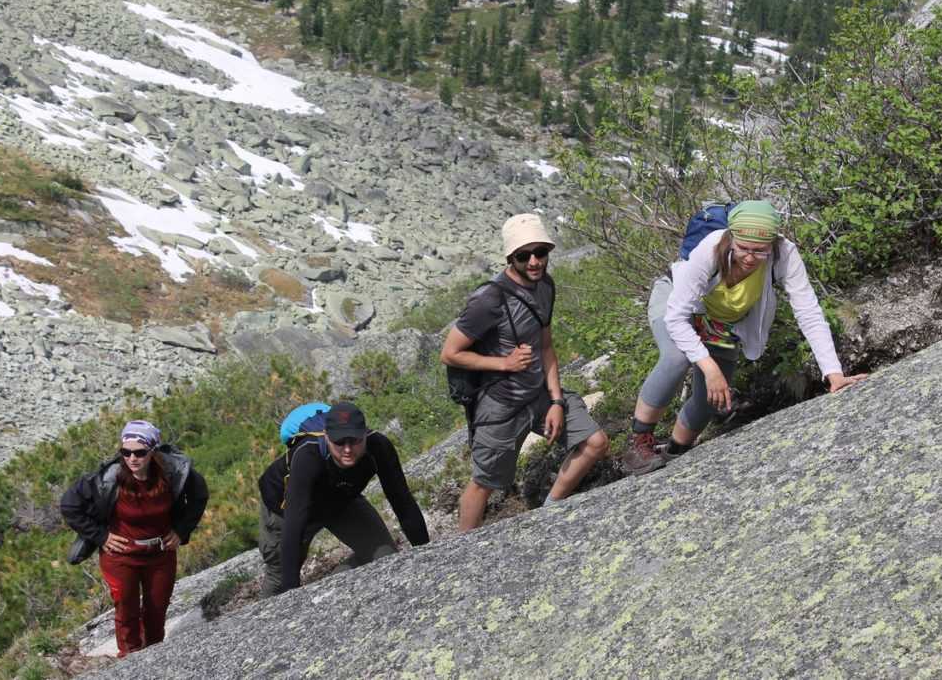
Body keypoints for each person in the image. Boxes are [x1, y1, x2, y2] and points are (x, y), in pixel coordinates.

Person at [622, 200, 868, 475]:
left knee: (711, 399)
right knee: (677, 357)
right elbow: (677, 317)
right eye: (744, 249)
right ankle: (638, 444)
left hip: (722, 321)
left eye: (760, 251)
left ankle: (675, 455)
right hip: (676, 303)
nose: (750, 258)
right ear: (731, 238)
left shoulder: (784, 254)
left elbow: (808, 312)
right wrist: (708, 365)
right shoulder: (712, 247)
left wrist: (833, 373)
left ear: (772, 243)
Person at [441, 213, 610, 531]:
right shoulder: (488, 299)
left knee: (595, 443)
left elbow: (546, 346)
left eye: (540, 253)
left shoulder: (545, 285)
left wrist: (557, 402)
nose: (534, 261)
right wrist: (503, 363)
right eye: (524, 255)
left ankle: (548, 513)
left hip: (540, 393)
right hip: (500, 404)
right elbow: (450, 353)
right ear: (510, 257)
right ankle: (460, 552)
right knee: (484, 482)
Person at [60, 420, 208, 657]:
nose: (132, 458)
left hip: (160, 554)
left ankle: (154, 656)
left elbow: (199, 496)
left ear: (153, 452)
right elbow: (69, 504)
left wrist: (181, 530)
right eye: (125, 452)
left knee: (156, 611)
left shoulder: (173, 473)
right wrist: (101, 535)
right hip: (120, 557)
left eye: (139, 452)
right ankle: (130, 659)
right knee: (126, 611)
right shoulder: (109, 477)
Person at [257, 402, 429, 597]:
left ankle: (328, 593)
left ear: (365, 434)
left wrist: (425, 555)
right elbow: (294, 526)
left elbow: (403, 503)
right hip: (285, 507)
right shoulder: (309, 455)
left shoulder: (379, 447)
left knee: (384, 558)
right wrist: (292, 598)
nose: (347, 449)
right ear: (327, 436)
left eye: (354, 441)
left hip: (339, 498)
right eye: (339, 442)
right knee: (281, 577)